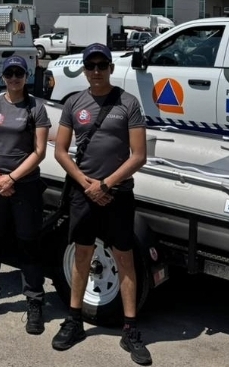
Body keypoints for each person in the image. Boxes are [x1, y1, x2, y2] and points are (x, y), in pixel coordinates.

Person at [50, 43, 152, 365]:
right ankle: (74, 320)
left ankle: (130, 329)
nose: (96, 71)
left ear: (110, 68)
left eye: (102, 65)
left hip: (117, 194)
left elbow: (139, 155)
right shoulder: (74, 103)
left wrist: (106, 184)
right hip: (84, 193)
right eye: (91, 66)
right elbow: (61, 151)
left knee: (124, 258)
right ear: (84, 70)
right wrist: (87, 185)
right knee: (82, 254)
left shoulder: (128, 103)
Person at [0, 56, 51, 333]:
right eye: (10, 73)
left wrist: (12, 178)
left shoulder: (36, 108)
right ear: (3, 77)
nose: (14, 78)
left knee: (28, 243)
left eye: (19, 73)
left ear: (26, 76)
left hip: (24, 185)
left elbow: (39, 151)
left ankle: (34, 302)